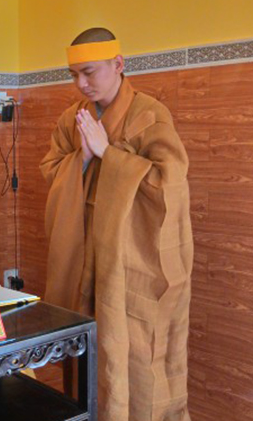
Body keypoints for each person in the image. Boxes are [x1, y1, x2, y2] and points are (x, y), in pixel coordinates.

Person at [40, 28, 193, 421]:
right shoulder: (73, 119)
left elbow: (169, 183)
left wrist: (108, 153)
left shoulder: (150, 115)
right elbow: (52, 171)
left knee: (139, 356)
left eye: (89, 72)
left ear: (119, 64)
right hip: (84, 256)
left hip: (132, 264)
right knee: (89, 352)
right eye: (74, 74)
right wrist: (83, 158)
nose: (81, 83)